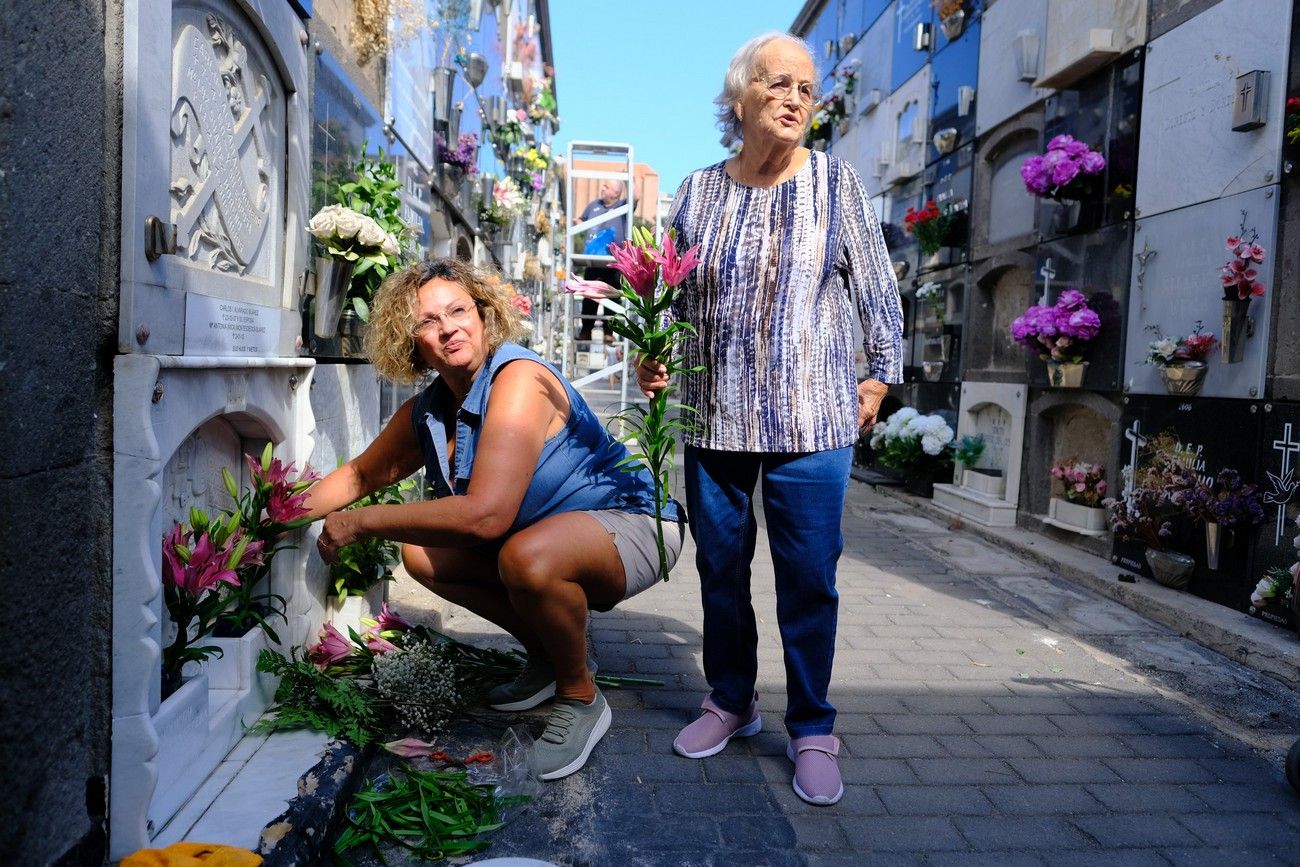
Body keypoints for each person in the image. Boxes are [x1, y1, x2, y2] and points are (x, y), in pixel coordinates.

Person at [636, 32, 903, 806]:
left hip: (813, 421)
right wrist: (651, 359)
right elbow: (668, 297)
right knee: (721, 571)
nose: (793, 98)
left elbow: (878, 289)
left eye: (806, 90)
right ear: (741, 95)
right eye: (778, 83)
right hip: (715, 415)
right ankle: (732, 699)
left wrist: (878, 377)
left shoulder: (836, 184)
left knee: (808, 579)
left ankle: (813, 723)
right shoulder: (695, 193)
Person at [306, 257, 686, 781]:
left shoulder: (518, 379)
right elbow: (358, 477)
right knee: (423, 554)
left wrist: (362, 522)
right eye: (427, 321)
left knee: (525, 558)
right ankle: (549, 657)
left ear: (484, 316)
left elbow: (485, 518)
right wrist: (270, 515)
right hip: (551, 538)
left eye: (459, 310)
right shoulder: (429, 411)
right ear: (409, 340)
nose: (448, 328)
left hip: (632, 523)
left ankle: (580, 695)